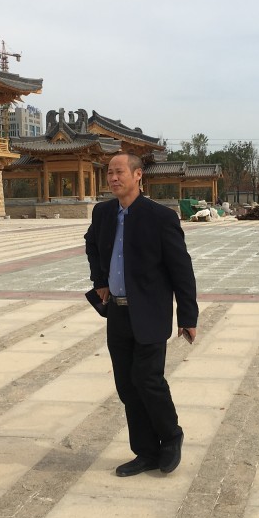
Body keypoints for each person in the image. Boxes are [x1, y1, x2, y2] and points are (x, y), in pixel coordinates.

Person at [85, 152, 198, 477]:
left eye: (119, 172)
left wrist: (187, 316)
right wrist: (100, 280)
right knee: (127, 385)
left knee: (148, 380)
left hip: (150, 312)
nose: (113, 178)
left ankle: (171, 437)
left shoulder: (160, 217)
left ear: (138, 175)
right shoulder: (103, 213)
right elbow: (92, 245)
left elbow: (181, 269)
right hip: (117, 314)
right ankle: (146, 452)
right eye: (110, 173)